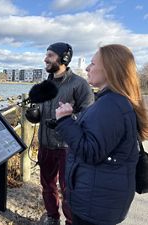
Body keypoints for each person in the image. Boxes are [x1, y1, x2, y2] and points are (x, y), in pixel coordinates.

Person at [55, 44, 148, 225]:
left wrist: (64, 120)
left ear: (110, 69)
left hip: (96, 203)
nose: (88, 68)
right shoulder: (114, 101)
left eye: (92, 63)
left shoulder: (111, 105)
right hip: (101, 198)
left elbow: (91, 151)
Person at [38, 42, 94, 225]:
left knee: (69, 189)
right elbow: (42, 107)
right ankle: (52, 216)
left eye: (51, 55)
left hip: (67, 147)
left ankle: (71, 221)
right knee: (47, 186)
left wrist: (66, 120)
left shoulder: (80, 84)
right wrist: (35, 114)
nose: (46, 59)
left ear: (64, 58)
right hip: (45, 144)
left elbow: (89, 114)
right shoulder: (44, 84)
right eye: (46, 55)